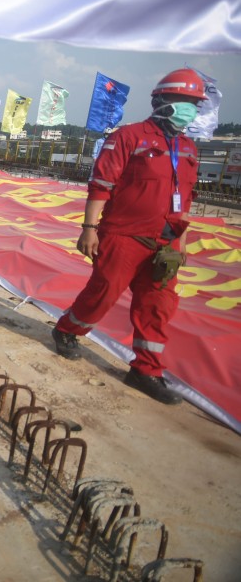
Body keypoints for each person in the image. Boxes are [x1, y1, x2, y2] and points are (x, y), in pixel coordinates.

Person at [50, 68, 205, 405]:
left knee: (158, 307)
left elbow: (186, 199)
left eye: (196, 103)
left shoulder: (189, 149)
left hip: (165, 242)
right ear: (163, 100)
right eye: (185, 101)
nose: (191, 109)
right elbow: (101, 185)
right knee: (104, 292)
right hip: (124, 235)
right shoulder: (128, 137)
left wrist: (180, 242)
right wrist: (89, 228)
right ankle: (67, 330)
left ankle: (146, 370)